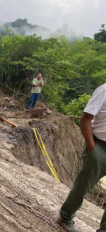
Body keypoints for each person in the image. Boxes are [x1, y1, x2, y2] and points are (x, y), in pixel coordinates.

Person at [58, 83, 106, 231]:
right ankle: (66, 216)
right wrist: (92, 147)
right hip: (100, 148)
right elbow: (85, 118)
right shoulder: (104, 90)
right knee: (83, 187)